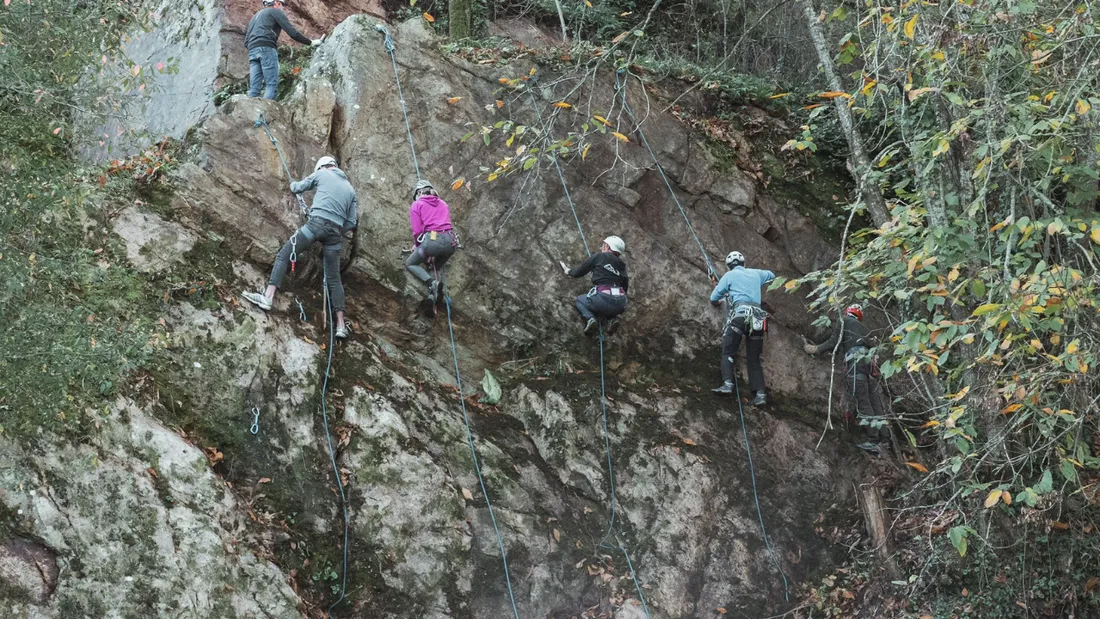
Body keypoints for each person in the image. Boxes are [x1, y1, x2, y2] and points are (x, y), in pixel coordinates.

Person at [243, 156, 358, 339]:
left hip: (316, 225)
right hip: (335, 235)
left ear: (322, 166)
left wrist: (293, 185)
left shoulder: (322, 173)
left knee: (285, 254)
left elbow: (297, 188)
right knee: (334, 279)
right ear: (335, 166)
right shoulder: (350, 190)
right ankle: (341, 326)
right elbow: (351, 221)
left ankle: (268, 297)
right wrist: (335, 229)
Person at [804, 303, 887, 451]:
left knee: (863, 401)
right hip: (867, 367)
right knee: (874, 402)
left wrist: (815, 349)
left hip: (855, 363)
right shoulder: (864, 329)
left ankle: (873, 440)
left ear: (847, 312)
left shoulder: (844, 321)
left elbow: (833, 342)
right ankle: (884, 438)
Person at [710, 251, 774, 405]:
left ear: (729, 266)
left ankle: (728, 385)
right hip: (758, 319)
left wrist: (721, 298)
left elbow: (713, 298)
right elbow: (772, 275)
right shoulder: (756, 273)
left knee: (728, 351)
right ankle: (760, 395)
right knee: (754, 359)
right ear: (744, 263)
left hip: (740, 316)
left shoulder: (729, 276)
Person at [245, 0, 323, 100]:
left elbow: (246, 41)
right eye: (283, 5)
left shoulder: (254, 17)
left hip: (252, 51)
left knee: (254, 89)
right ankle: (266, 114)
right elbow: (293, 33)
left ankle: (251, 114)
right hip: (267, 48)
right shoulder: (275, 12)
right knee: (271, 86)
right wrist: (311, 43)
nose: (284, 8)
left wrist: (255, 47)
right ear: (277, 3)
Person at [404, 180, 457, 314]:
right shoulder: (443, 203)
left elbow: (417, 231)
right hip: (451, 243)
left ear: (418, 193)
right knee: (434, 266)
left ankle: (432, 283)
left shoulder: (417, 204)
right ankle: (432, 296)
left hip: (432, 243)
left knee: (410, 263)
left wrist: (417, 246)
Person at [560, 236, 629, 336]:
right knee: (608, 305)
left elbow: (580, 271)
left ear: (607, 246)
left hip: (603, 298)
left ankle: (590, 318)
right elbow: (625, 287)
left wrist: (569, 271)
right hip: (621, 303)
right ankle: (612, 319)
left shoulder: (599, 256)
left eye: (604, 245)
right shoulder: (622, 266)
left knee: (580, 300)